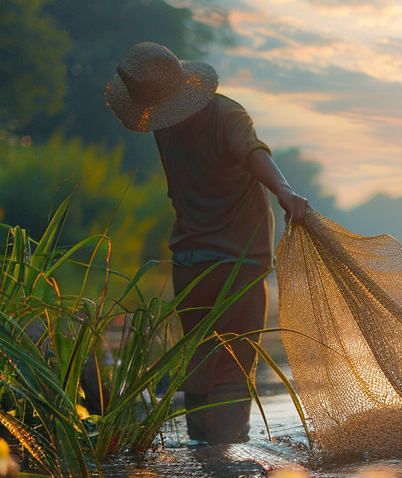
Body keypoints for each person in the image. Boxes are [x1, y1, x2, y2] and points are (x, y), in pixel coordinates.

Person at [105, 41, 308, 444]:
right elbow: (253, 153)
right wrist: (284, 192)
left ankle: (201, 450)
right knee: (236, 359)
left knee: (199, 356)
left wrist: (282, 190)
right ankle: (226, 459)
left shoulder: (161, 128)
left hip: (190, 261)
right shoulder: (227, 115)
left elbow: (243, 159)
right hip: (240, 263)